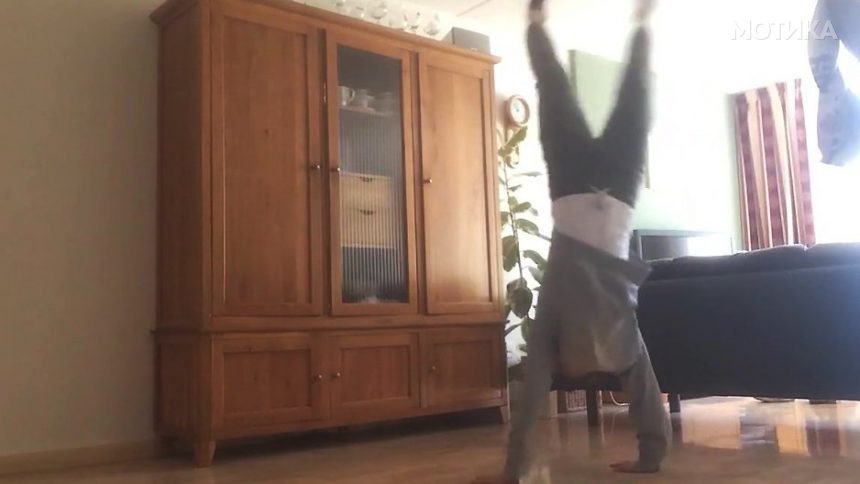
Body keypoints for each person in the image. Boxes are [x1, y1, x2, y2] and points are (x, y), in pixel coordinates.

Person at [474, 1, 669, 482]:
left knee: (554, 90)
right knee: (635, 98)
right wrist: (649, 458)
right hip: (619, 188)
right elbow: (648, 397)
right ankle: (642, 27)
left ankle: (537, 25)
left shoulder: (550, 329)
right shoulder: (625, 341)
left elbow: (530, 397)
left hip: (570, 181)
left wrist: (513, 471)